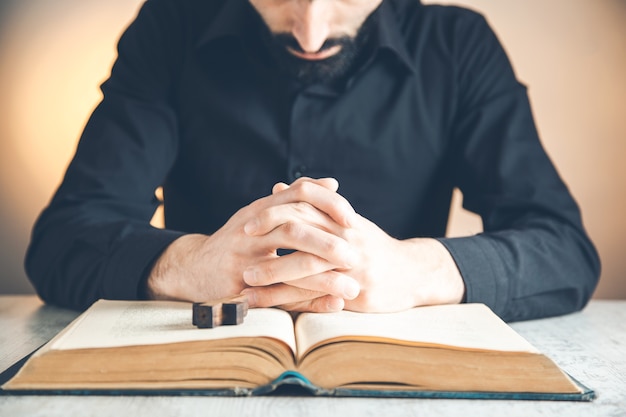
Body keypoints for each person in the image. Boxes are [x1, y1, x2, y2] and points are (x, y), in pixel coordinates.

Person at [25, 0, 600, 322]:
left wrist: (412, 272)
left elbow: (565, 250)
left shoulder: (458, 44)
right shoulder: (170, 26)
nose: (310, 31)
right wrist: (190, 265)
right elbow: (61, 242)